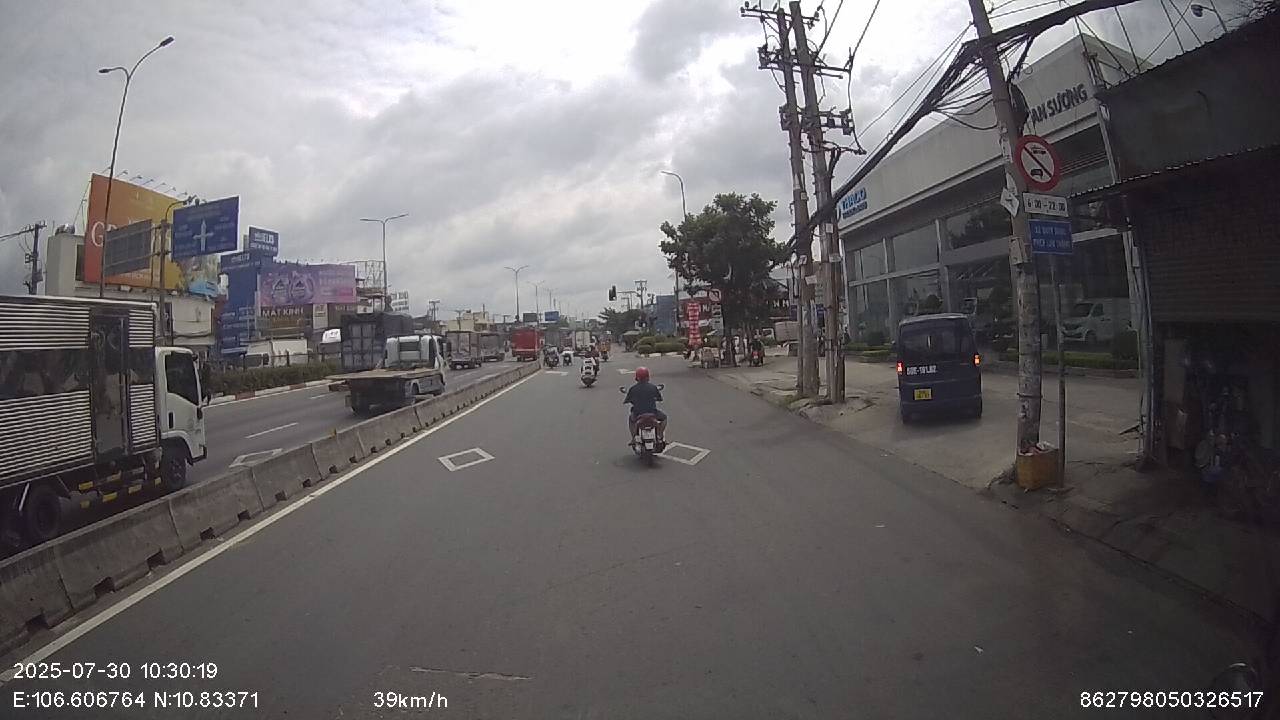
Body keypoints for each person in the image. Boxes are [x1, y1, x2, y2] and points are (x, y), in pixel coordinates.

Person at [622, 366, 666, 449]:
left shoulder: (633, 389)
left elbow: (627, 400)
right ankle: (659, 435)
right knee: (664, 418)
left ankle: (633, 438)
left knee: (631, 420)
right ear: (647, 377)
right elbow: (660, 399)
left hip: (638, 414)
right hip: (652, 413)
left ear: (637, 377)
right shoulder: (653, 387)